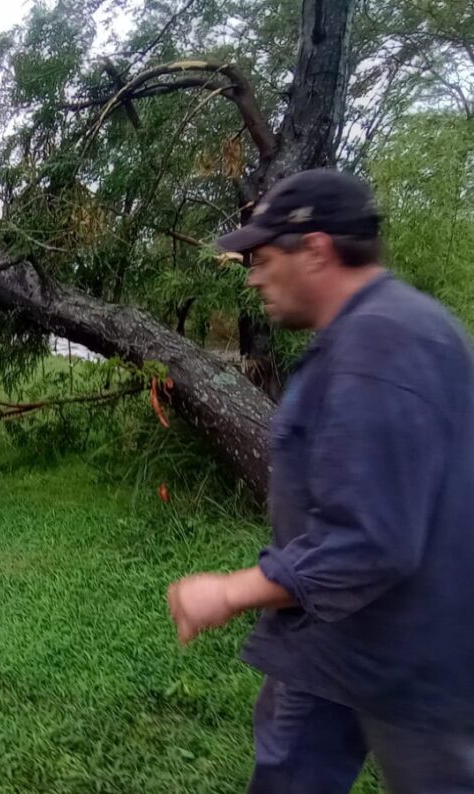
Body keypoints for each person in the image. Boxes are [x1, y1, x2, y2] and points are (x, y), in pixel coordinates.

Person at [167, 169, 474, 792]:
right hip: (333, 642)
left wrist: (229, 592)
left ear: (316, 249)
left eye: (261, 257)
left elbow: (371, 541)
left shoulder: (382, 343)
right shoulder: (369, 331)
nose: (251, 275)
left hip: (413, 655)